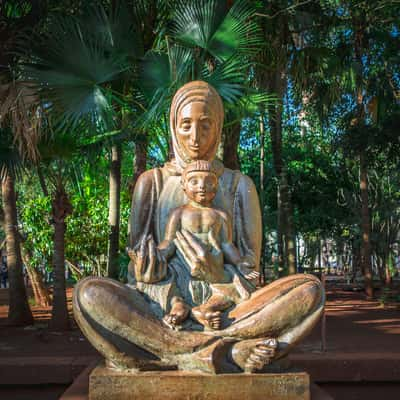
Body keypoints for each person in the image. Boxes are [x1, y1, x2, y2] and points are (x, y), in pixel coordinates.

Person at [73, 81, 324, 374]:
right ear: (173, 126)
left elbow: (249, 269)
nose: (195, 137)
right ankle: (226, 351)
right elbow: (138, 271)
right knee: (88, 294)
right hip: (165, 311)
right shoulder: (152, 183)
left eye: (205, 125)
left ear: (218, 127)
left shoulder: (238, 185)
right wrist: (145, 269)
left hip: (229, 309)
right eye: (186, 125)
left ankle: (180, 352)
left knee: (310, 291)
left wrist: (217, 273)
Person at [157, 160, 259, 330]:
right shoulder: (179, 213)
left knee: (234, 290)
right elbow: (169, 241)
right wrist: (157, 254)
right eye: (194, 181)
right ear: (184, 185)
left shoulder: (220, 215)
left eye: (208, 182)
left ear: (216, 186)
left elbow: (227, 244)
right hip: (183, 266)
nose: (202, 186)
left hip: (215, 269)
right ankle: (178, 305)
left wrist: (239, 262)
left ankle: (205, 309)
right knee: (168, 281)